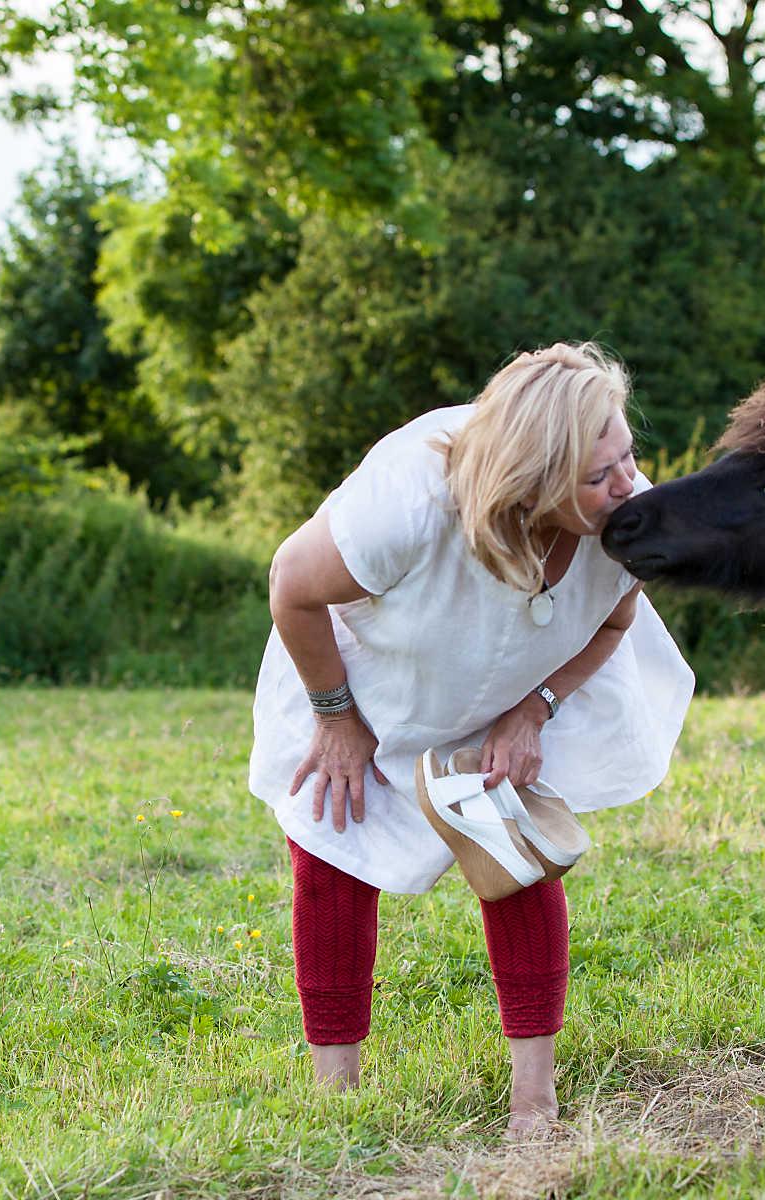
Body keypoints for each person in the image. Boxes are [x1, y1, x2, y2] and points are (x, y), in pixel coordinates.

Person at [248, 342, 694, 1137]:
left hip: (513, 684)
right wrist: (336, 717)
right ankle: (337, 1098)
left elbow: (618, 617)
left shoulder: (625, 517)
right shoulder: (410, 503)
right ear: (535, 478)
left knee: (515, 857)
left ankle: (534, 1104)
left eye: (628, 455)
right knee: (333, 853)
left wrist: (535, 708)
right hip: (369, 679)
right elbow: (290, 584)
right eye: (600, 477)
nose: (628, 486)